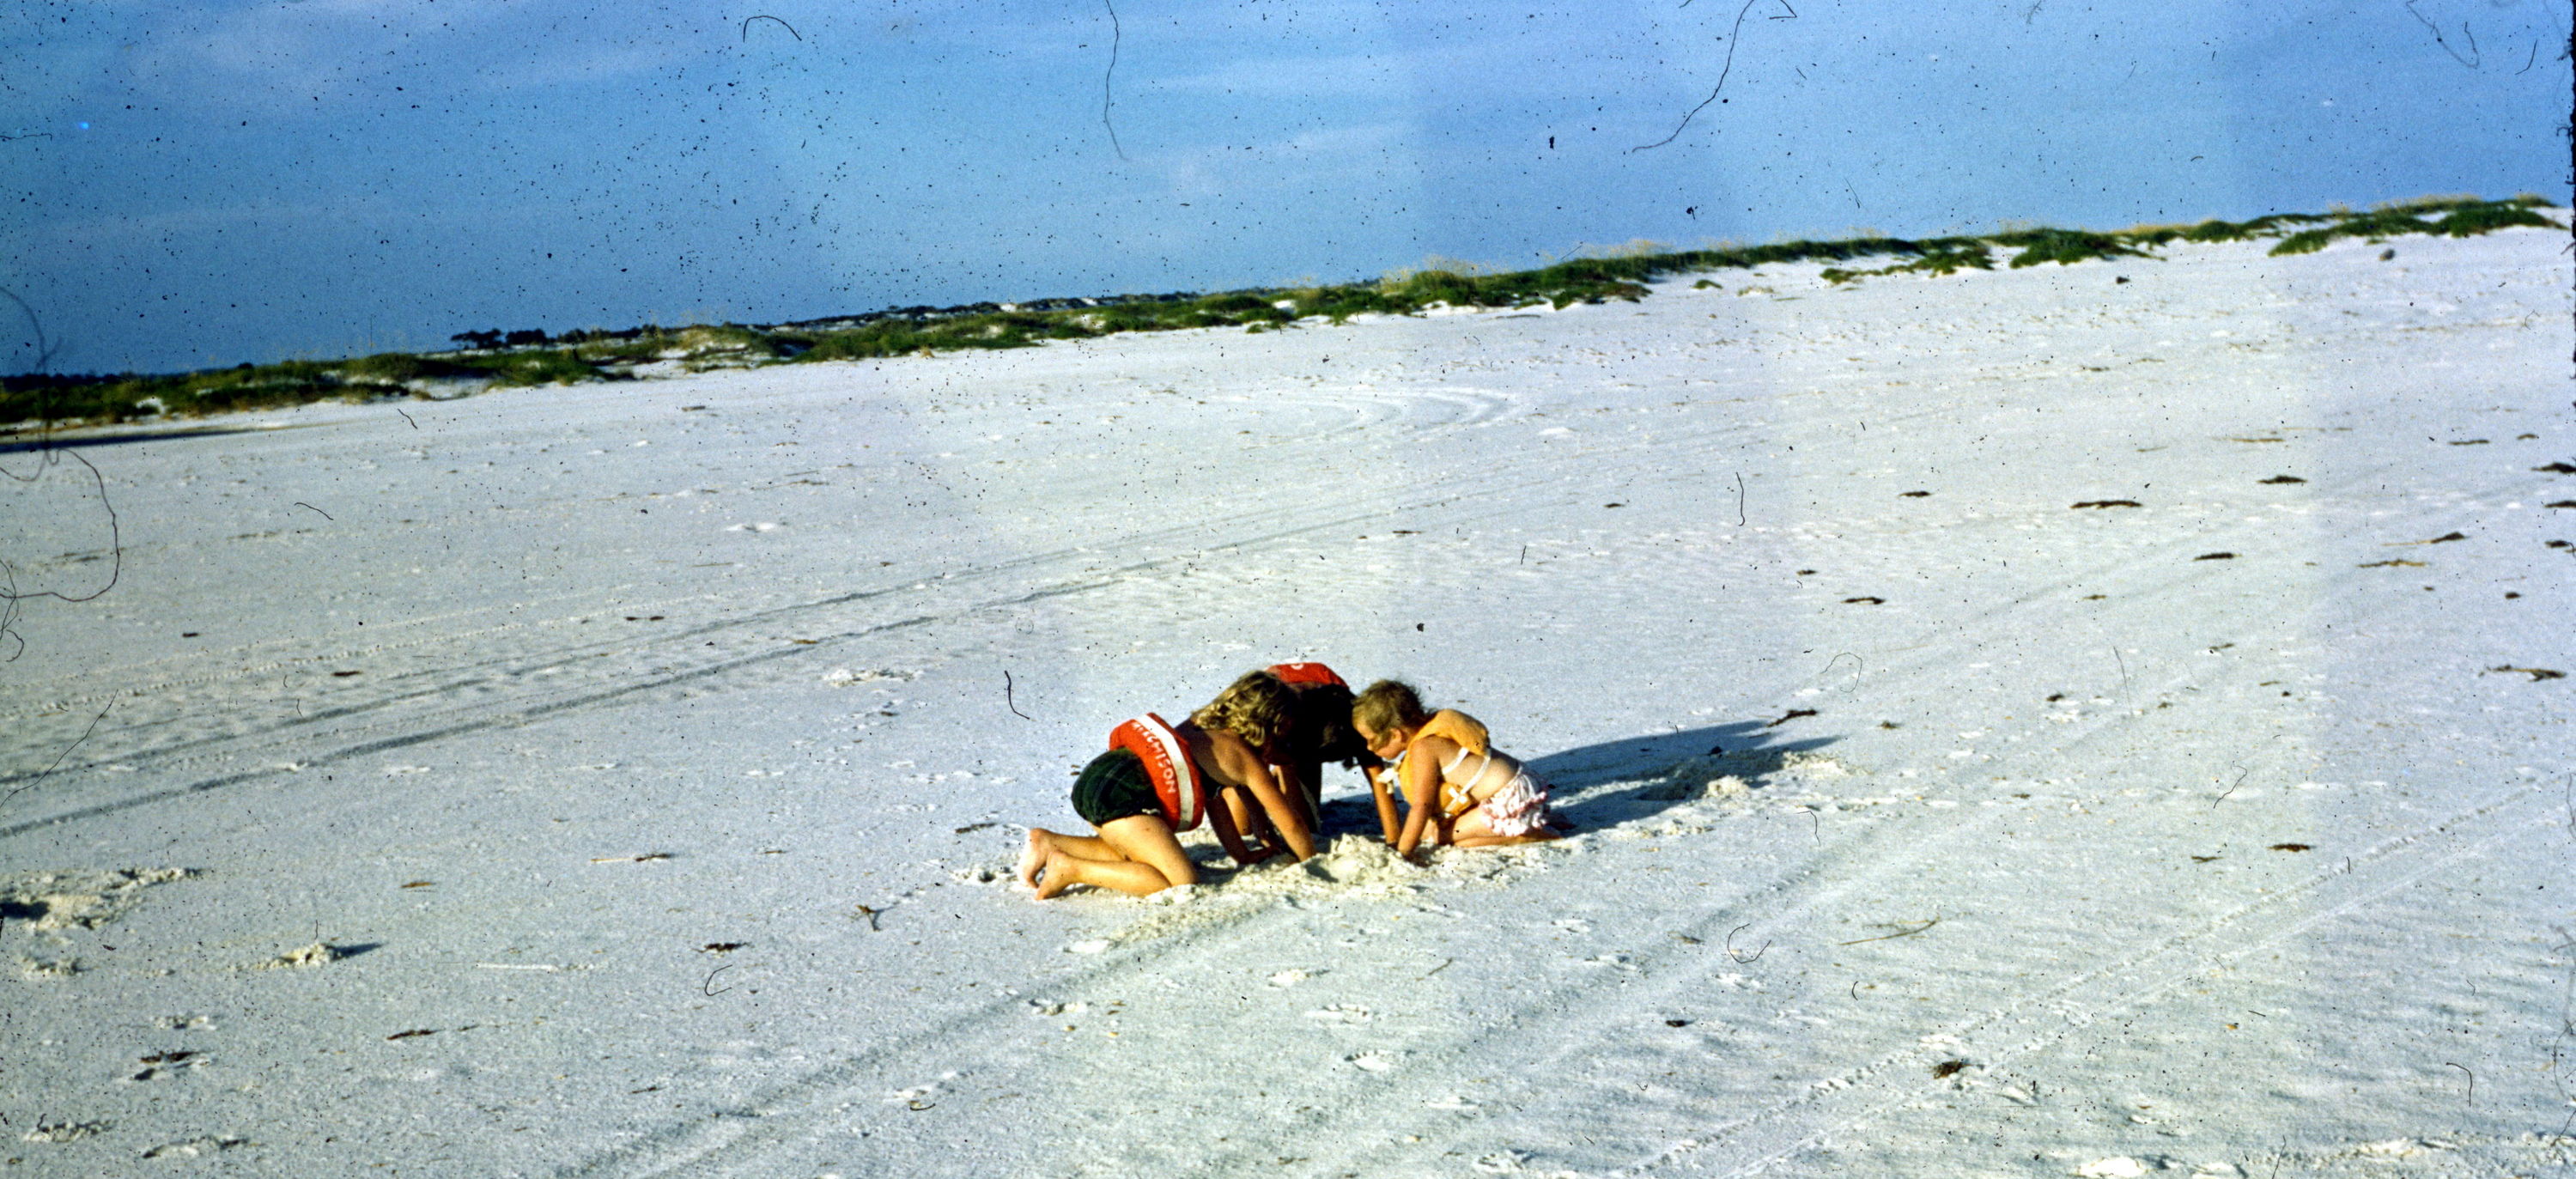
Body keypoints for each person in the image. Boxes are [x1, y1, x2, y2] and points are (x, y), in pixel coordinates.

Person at [1020, 672, 1315, 898]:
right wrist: (1310, 862)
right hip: (1124, 797)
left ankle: (1050, 842)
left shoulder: (1199, 728)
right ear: (1269, 723)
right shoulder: (1245, 759)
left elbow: (1214, 803)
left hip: (1101, 779)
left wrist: (1241, 854)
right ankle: (1071, 868)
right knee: (1179, 882)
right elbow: (1291, 824)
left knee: (1133, 854)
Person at [1351, 678, 1564, 858]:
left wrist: (1404, 851)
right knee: (1427, 832)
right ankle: (1532, 819)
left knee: (1442, 838)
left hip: (1511, 798)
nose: (1369, 748)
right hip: (1519, 786)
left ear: (1396, 734)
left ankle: (1529, 835)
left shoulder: (1424, 748)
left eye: (1371, 740)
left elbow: (1421, 806)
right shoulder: (1430, 734)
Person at [1264, 662, 1379, 838]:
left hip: (1319, 709)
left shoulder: (1353, 720)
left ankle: (1289, 767)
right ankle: (1283, 768)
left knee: (1308, 826)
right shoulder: (1271, 715)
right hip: (1274, 710)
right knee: (1242, 825)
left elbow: (1376, 774)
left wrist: (1394, 838)